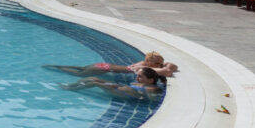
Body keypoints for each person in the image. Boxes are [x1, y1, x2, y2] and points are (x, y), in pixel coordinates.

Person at [44, 51, 177, 78]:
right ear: (150, 62)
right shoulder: (144, 67)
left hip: (104, 65)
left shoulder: (143, 63)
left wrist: (164, 65)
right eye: (157, 63)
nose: (159, 65)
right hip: (103, 69)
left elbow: (172, 66)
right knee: (79, 74)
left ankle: (56, 66)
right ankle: (59, 69)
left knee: (82, 69)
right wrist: (165, 67)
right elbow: (168, 71)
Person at [61, 67, 166, 100]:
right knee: (93, 78)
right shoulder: (143, 84)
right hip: (119, 88)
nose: (137, 78)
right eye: (137, 75)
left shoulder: (152, 88)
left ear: (150, 80)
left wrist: (140, 94)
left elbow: (151, 96)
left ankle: (71, 89)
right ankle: (72, 85)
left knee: (95, 83)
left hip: (123, 93)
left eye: (140, 76)